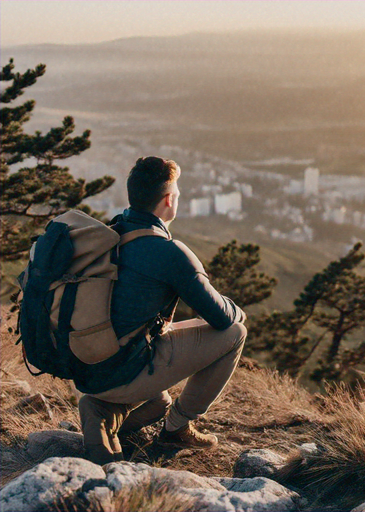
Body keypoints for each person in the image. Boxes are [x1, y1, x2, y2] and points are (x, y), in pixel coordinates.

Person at [78, 156, 247, 465]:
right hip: (121, 370)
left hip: (88, 365)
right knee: (236, 332)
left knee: (159, 402)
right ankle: (177, 428)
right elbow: (222, 318)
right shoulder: (170, 252)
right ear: (169, 199)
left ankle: (102, 407)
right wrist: (238, 311)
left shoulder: (109, 234)